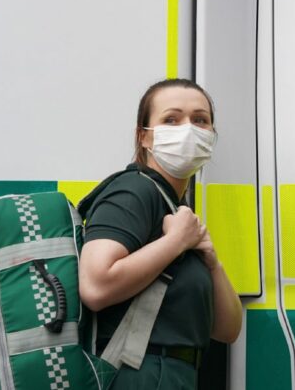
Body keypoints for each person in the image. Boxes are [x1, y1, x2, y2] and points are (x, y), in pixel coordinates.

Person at [79, 78, 242, 389]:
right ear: (145, 137)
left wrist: (212, 262)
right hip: (138, 375)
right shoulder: (134, 190)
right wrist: (175, 242)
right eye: (171, 119)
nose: (188, 128)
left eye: (200, 120)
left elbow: (227, 330)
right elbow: (96, 286)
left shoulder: (176, 210)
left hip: (173, 375)